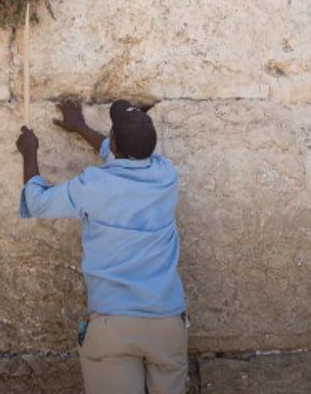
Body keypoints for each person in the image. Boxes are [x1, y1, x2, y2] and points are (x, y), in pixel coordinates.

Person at [17, 99, 188, 394]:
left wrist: (29, 152)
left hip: (114, 323)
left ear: (116, 146)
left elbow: (38, 203)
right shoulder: (166, 175)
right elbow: (120, 152)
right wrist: (81, 128)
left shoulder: (94, 186)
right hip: (167, 325)